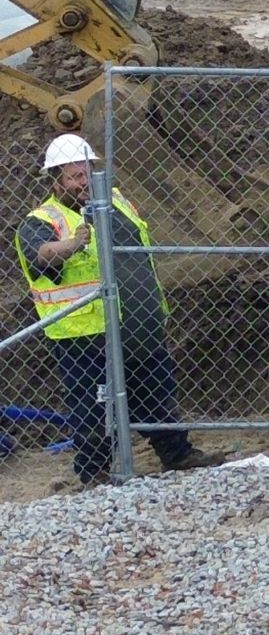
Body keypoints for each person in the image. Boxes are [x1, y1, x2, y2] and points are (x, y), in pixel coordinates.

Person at [14, 134, 221, 487]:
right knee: (92, 406)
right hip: (84, 333)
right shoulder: (42, 219)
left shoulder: (116, 200)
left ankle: (177, 455)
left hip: (138, 320)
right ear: (55, 180)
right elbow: (42, 254)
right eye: (73, 176)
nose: (82, 182)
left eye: (86, 173)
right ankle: (94, 473)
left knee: (155, 390)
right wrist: (73, 243)